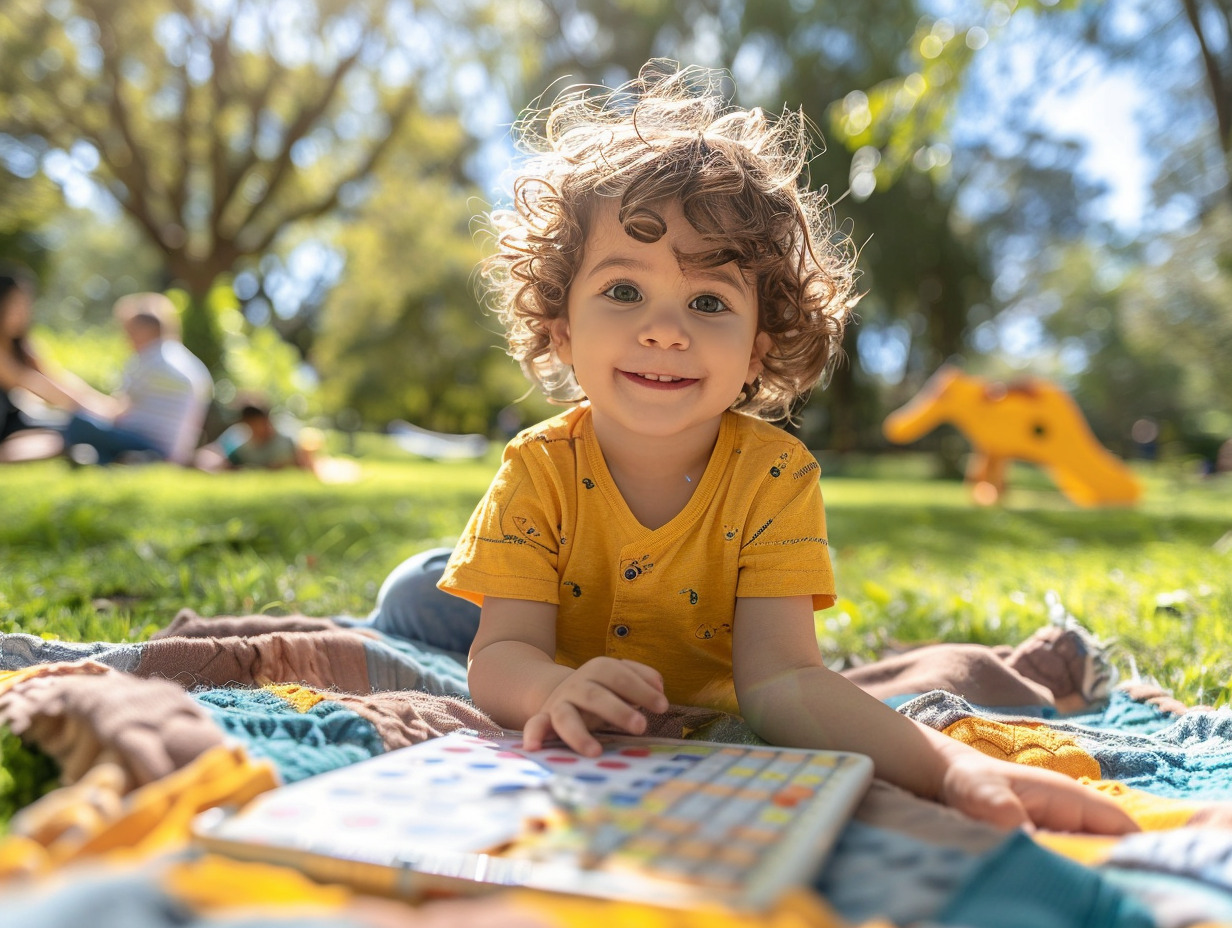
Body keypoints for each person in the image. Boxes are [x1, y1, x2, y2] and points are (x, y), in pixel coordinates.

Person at [422, 62, 1136, 836]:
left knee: (426, 590)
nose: (665, 329)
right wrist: (547, 690)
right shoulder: (537, 468)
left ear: (759, 349)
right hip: (527, 615)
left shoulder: (775, 475)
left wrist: (950, 765)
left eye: (708, 301)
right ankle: (434, 584)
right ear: (563, 325)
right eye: (623, 291)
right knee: (420, 602)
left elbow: (783, 681)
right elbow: (501, 659)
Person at [61, 292, 213, 465]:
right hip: (176, 451)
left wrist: (74, 399)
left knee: (79, 422)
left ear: (145, 330)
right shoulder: (189, 362)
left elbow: (116, 411)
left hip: (148, 444)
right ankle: (111, 460)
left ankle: (111, 459)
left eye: (129, 331)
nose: (126, 339)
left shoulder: (149, 359)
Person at [0, 268, 113, 462]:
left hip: (14, 423)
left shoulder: (21, 346)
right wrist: (93, 410)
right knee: (70, 433)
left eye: (27, 303)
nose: (24, 311)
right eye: (16, 304)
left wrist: (105, 404)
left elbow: (55, 377)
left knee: (68, 430)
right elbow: (34, 384)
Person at [196, 397, 312, 471]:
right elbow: (214, 454)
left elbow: (304, 464)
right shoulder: (239, 440)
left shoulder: (287, 439)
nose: (258, 429)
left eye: (259, 423)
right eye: (252, 425)